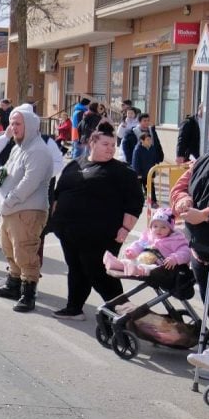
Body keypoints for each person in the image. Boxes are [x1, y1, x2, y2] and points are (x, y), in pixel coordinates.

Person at [47, 122, 144, 319]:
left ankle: (127, 313)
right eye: (105, 144)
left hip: (100, 235)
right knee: (76, 269)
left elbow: (135, 203)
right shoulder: (75, 164)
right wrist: (54, 220)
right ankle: (74, 307)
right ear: (92, 143)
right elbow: (58, 194)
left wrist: (125, 228)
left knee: (98, 272)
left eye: (112, 145)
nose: (110, 149)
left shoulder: (122, 172)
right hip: (69, 231)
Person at [169, 108, 209, 340]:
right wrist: (183, 203)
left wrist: (206, 214)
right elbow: (178, 189)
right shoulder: (201, 162)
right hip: (201, 255)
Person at [0, 105, 54, 312]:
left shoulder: (38, 150)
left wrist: (9, 200)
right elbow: (7, 170)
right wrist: (0, 178)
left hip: (27, 211)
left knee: (25, 252)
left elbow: (29, 182)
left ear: (30, 125)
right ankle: (13, 285)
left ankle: (28, 294)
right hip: (9, 209)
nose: (13, 128)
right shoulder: (18, 147)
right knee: (9, 249)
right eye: (11, 123)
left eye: (18, 124)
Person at [102, 208, 191, 278]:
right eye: (155, 226)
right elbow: (140, 243)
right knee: (131, 261)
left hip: (163, 268)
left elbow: (185, 252)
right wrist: (133, 250)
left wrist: (175, 258)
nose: (158, 230)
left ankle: (135, 269)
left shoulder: (175, 239)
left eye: (163, 227)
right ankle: (117, 264)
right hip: (143, 260)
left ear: (170, 229)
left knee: (150, 269)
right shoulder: (149, 235)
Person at [131, 130, 165, 201]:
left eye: (150, 140)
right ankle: (138, 202)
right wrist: (137, 174)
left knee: (151, 188)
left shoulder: (152, 148)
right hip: (140, 174)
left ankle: (153, 201)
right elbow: (135, 163)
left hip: (149, 173)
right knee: (138, 190)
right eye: (147, 140)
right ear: (142, 141)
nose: (149, 141)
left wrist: (154, 172)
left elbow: (154, 160)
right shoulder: (138, 150)